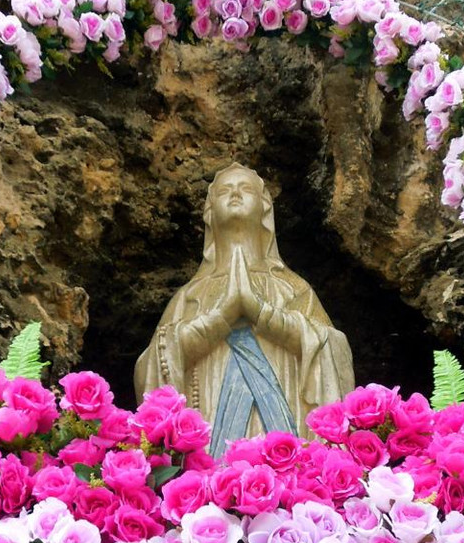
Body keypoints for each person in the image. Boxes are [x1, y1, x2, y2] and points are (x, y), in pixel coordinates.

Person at [134, 163, 354, 454]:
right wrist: (221, 318)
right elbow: (152, 366)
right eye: (225, 190)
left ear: (265, 209)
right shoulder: (189, 297)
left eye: (245, 189)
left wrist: (262, 313)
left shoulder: (293, 289)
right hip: (209, 455)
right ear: (209, 213)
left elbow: (334, 351)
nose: (235, 194)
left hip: (286, 452)